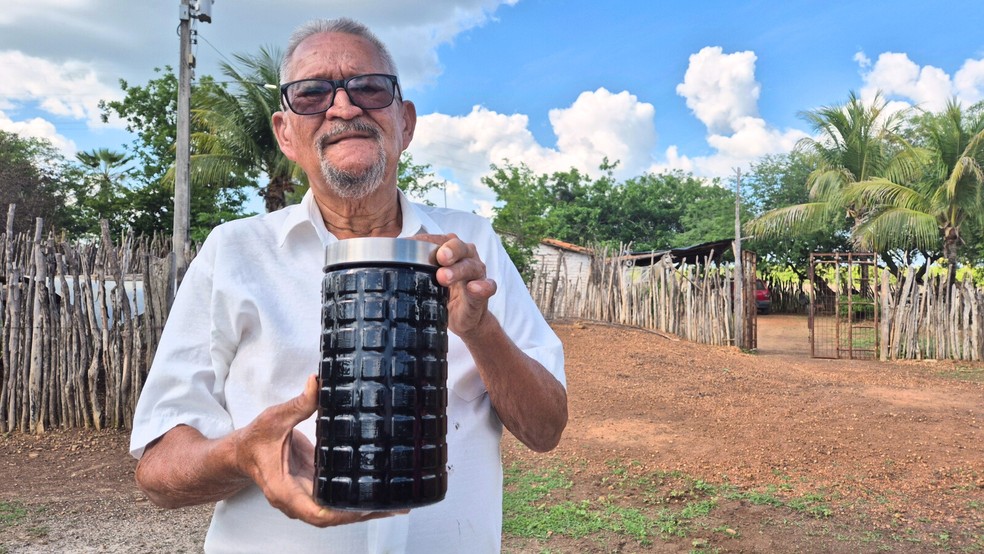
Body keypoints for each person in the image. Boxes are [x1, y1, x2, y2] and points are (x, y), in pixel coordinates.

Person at [129, 16, 568, 554]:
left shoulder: (473, 243)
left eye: (369, 87)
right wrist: (241, 453)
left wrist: (482, 332)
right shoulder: (234, 251)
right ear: (285, 133)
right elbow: (157, 471)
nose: (343, 107)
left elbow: (546, 429)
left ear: (405, 122)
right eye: (311, 94)